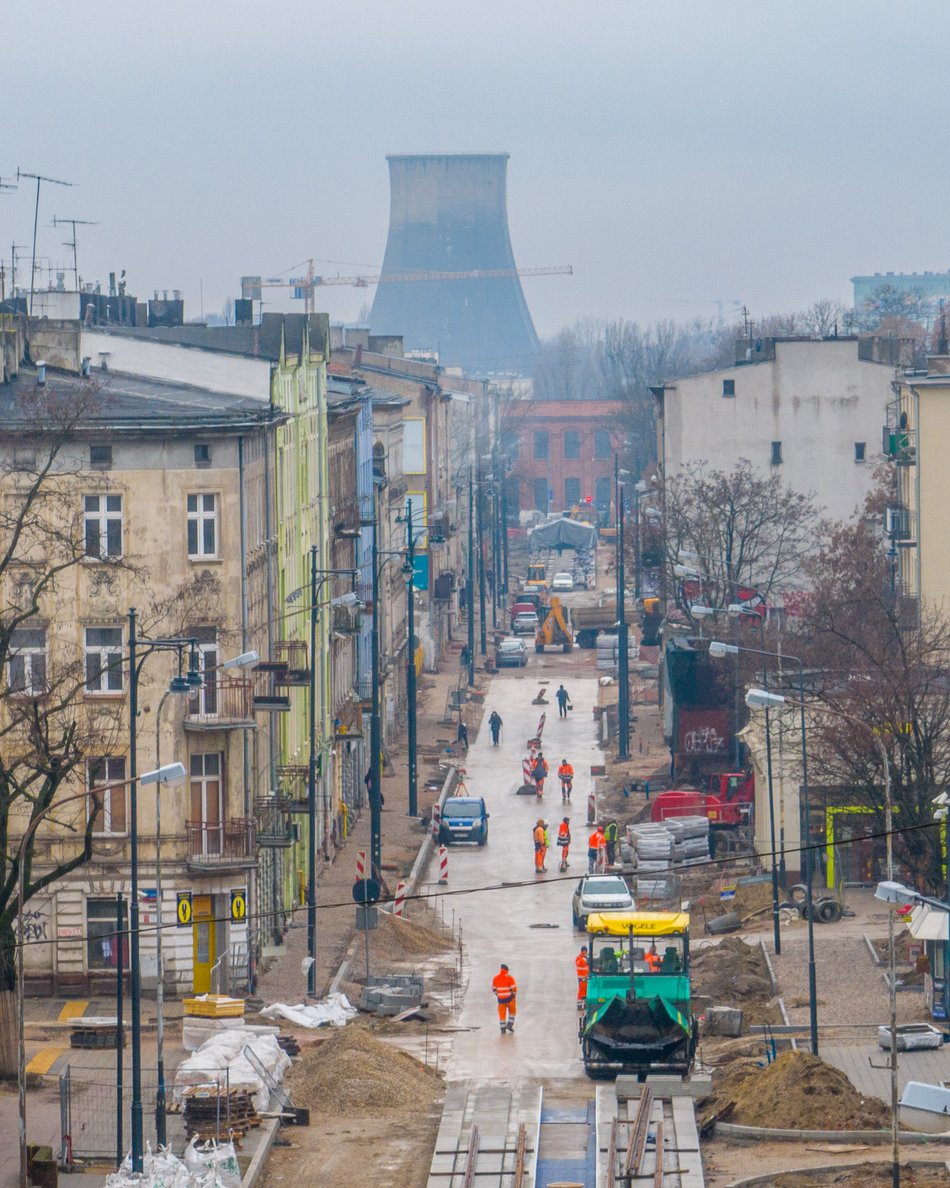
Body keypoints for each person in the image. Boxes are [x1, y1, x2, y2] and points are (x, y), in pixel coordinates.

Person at [492, 963, 517, 1034]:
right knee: (512, 1011)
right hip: (509, 998)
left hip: (501, 1000)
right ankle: (510, 1024)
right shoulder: (510, 977)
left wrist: (499, 995)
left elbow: (494, 989)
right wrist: (513, 996)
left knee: (502, 1014)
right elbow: (514, 988)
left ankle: (503, 1029)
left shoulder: (495, 978)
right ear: (506, 970)